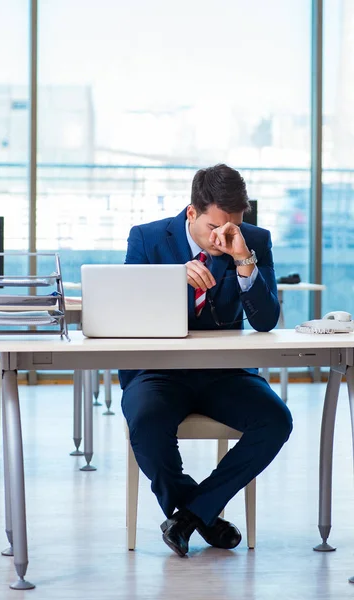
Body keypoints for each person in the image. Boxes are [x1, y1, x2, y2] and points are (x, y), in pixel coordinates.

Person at [119, 163, 293, 557]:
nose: (223, 236)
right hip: (158, 372)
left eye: (233, 225)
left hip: (224, 373)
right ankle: (203, 515)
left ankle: (189, 517)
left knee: (276, 420)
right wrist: (171, 278)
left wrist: (244, 261)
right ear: (191, 213)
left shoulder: (252, 241)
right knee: (146, 424)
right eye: (215, 226)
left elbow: (265, 321)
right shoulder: (148, 239)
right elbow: (125, 308)